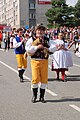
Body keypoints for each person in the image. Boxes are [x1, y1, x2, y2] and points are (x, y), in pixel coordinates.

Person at [25, 25, 59, 103]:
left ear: (44, 31)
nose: (40, 32)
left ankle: (42, 97)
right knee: (35, 79)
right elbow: (28, 49)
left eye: (42, 30)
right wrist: (36, 47)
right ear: (36, 31)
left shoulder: (47, 39)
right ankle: (34, 96)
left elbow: (55, 47)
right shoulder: (31, 39)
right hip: (35, 61)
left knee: (44, 79)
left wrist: (48, 49)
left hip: (44, 61)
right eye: (38, 30)